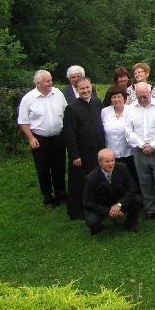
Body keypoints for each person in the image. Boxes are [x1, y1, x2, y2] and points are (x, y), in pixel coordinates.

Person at [17, 70, 68, 209]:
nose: (50, 83)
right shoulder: (29, 98)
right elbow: (23, 121)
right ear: (38, 83)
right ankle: (48, 198)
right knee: (43, 168)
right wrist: (31, 138)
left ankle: (61, 196)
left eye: (51, 80)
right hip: (39, 139)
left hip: (58, 137)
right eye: (47, 81)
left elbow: (66, 111)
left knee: (59, 167)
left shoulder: (58, 93)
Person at [124, 82, 155, 219]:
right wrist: (142, 144)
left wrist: (153, 144)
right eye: (140, 97)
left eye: (145, 97)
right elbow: (128, 130)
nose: (143, 100)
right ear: (135, 95)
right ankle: (150, 209)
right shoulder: (130, 109)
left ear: (151, 93)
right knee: (144, 180)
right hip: (139, 150)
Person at [63, 77, 105, 221]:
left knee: (98, 178)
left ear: (91, 87)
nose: (86, 90)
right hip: (82, 152)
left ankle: (99, 205)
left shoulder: (96, 102)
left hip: (98, 149)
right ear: (76, 89)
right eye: (82, 88)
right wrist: (75, 155)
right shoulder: (71, 108)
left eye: (87, 87)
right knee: (83, 181)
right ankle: (81, 210)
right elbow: (70, 134)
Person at [83, 149, 142, 235]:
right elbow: (88, 202)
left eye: (112, 160)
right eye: (107, 162)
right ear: (100, 162)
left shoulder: (122, 168)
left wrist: (119, 204)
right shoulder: (91, 178)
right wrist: (108, 211)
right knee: (92, 220)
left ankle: (130, 224)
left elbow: (132, 188)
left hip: (118, 201)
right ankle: (96, 228)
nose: (111, 164)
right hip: (102, 206)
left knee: (138, 199)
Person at [101, 86, 138, 189]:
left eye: (119, 97)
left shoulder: (132, 111)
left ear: (124, 98)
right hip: (112, 156)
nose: (116, 99)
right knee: (116, 183)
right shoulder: (104, 112)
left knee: (132, 180)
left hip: (129, 154)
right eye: (113, 97)